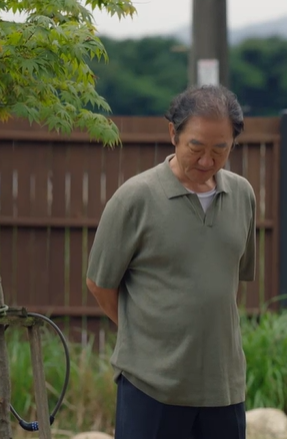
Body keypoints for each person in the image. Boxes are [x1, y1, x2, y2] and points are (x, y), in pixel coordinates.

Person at [86, 85, 256, 439]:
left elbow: (227, 284)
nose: (207, 160)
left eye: (220, 149)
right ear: (173, 134)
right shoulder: (136, 198)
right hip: (151, 385)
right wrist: (145, 335)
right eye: (196, 147)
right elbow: (99, 284)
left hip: (223, 387)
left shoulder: (242, 195)